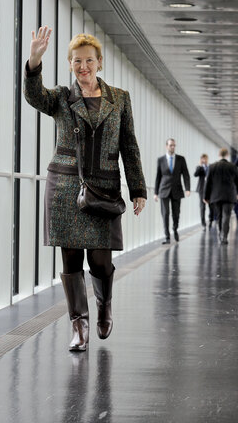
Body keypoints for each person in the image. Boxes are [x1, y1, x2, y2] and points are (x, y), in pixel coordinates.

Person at [24, 28, 147, 352]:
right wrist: (35, 59)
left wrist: (138, 188)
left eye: (89, 60)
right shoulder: (62, 98)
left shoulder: (119, 98)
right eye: (77, 61)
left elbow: (129, 145)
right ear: (70, 64)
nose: (83, 66)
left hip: (104, 188)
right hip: (66, 187)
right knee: (71, 260)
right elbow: (34, 96)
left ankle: (104, 306)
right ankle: (79, 325)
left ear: (99, 63)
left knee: (101, 261)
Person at [154, 138, 191, 244]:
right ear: (166, 146)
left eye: (174, 145)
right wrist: (156, 193)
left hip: (177, 190)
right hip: (164, 190)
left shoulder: (181, 159)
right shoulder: (161, 160)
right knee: (165, 214)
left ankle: (175, 229)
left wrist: (187, 188)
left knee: (176, 213)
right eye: (171, 145)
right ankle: (167, 236)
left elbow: (186, 175)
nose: (173, 147)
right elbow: (158, 176)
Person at [203, 148, 238, 245]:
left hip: (216, 196)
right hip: (229, 195)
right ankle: (224, 237)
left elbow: (208, 183)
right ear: (227, 154)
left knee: (219, 216)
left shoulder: (212, 167)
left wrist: (206, 196)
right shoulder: (232, 166)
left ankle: (221, 233)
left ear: (219, 154)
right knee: (227, 216)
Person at [193, 154, 213, 229]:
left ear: (207, 159)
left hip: (210, 190)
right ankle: (203, 223)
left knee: (211, 206)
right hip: (201, 189)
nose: (204, 160)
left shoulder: (210, 167)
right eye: (203, 159)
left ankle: (210, 220)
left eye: (205, 159)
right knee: (202, 207)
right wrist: (200, 166)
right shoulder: (199, 167)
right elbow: (195, 174)